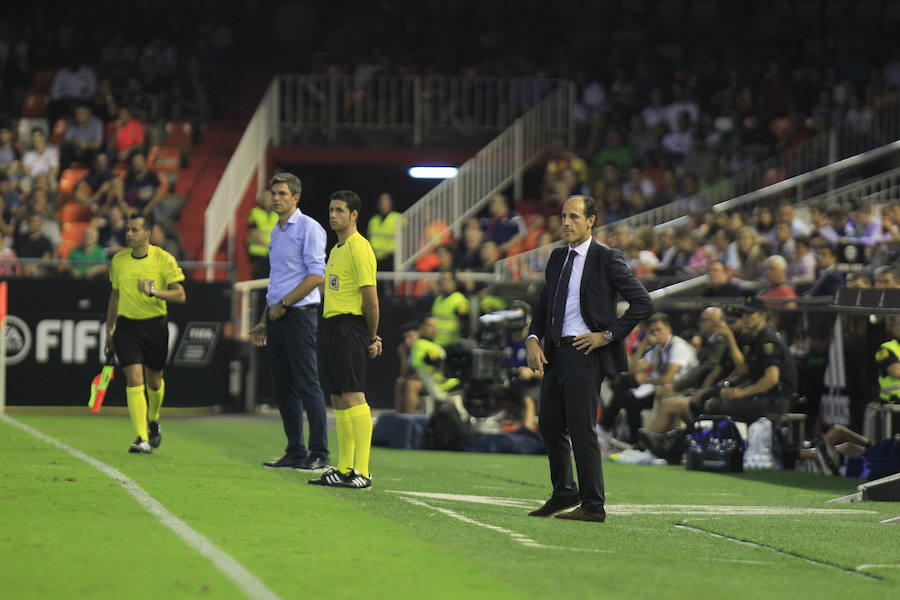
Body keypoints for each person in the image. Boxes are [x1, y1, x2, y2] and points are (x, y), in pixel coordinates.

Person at [525, 194, 652, 523]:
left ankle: (594, 505)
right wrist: (533, 339)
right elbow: (543, 305)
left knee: (582, 428)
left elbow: (642, 303)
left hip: (585, 352)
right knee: (550, 423)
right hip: (555, 352)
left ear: (591, 220)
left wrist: (607, 336)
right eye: (564, 216)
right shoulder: (556, 257)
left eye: (574, 217)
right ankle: (565, 490)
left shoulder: (607, 258)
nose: (566, 223)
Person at [250, 173, 329, 471]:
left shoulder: (310, 228)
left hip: (299, 315)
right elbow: (278, 279)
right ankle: (295, 451)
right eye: (274, 193)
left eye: (282, 193)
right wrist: (265, 317)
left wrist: (283, 305)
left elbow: (316, 276)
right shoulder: (276, 231)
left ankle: (320, 452)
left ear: (296, 198)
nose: (276, 198)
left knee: (308, 384)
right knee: (283, 387)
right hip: (277, 316)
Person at [309, 190, 382, 489]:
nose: (333, 215)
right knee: (338, 398)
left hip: (350, 326)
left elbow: (371, 301)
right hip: (331, 326)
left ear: (354, 215)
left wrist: (371, 335)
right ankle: (344, 467)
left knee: (354, 395)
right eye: (331, 209)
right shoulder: (337, 249)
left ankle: (362, 471)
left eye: (340, 210)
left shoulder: (359, 248)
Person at [104, 212, 185, 453]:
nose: (129, 234)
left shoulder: (164, 259)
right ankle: (141, 438)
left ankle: (153, 418)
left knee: (154, 381)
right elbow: (115, 295)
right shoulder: (118, 260)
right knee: (134, 378)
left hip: (155, 326)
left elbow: (180, 295)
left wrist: (153, 292)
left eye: (135, 230)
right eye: (128, 229)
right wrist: (110, 330)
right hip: (127, 327)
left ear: (147, 234)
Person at [600, 312, 698, 445]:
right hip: (660, 388)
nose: (655, 333)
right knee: (626, 395)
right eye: (652, 331)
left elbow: (668, 378)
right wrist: (644, 343)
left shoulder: (677, 346)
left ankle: (637, 441)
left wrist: (648, 380)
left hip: (680, 389)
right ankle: (634, 440)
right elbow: (631, 368)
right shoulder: (657, 349)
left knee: (630, 395)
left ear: (668, 329)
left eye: (659, 330)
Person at [704, 296, 798, 423]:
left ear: (762, 315)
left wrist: (742, 393)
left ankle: (739, 442)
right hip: (763, 394)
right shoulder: (755, 337)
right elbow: (748, 373)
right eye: (744, 314)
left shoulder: (768, 339)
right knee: (714, 404)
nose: (746, 317)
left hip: (776, 398)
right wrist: (732, 392)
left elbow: (772, 378)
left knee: (726, 409)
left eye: (750, 314)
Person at [431, 270, 470, 347]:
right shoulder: (438, 299)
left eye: (447, 280)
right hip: (436, 343)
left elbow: (465, 325)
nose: (444, 283)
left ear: (454, 282)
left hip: (451, 345)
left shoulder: (459, 300)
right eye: (442, 280)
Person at [246, 188, 278, 279]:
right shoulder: (254, 213)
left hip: (273, 256)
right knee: (259, 284)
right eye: (265, 196)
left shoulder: (277, 215)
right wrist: (270, 246)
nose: (267, 199)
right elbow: (253, 233)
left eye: (269, 196)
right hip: (258, 255)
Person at [366, 192, 400, 272]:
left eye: (385, 200)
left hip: (392, 259)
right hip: (375, 259)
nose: (383, 203)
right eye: (381, 201)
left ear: (391, 203)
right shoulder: (373, 220)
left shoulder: (398, 218)